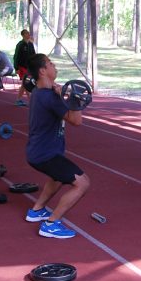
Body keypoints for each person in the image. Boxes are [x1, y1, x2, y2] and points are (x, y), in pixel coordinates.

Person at [23, 54, 88, 239]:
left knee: (58, 177)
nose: (55, 66)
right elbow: (76, 120)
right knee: (82, 183)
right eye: (51, 64)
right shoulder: (51, 98)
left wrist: (61, 93)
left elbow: (50, 92)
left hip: (37, 151)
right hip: (46, 155)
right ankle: (51, 224)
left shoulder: (39, 92)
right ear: (43, 71)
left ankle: (36, 211)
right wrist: (74, 99)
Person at [13, 29, 36, 106]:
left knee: (25, 84)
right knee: (26, 83)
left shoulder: (30, 44)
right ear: (23, 35)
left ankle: (20, 100)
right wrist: (16, 68)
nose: (28, 34)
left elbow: (34, 55)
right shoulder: (20, 44)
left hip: (29, 67)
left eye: (29, 33)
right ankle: (30, 101)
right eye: (26, 33)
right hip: (22, 67)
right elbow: (16, 57)